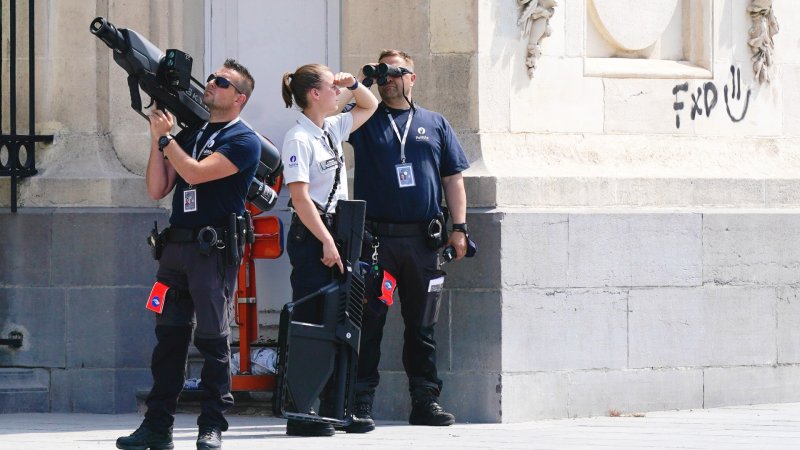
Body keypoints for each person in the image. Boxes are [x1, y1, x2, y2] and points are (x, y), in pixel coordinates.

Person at [116, 59, 260, 450]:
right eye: (212, 78)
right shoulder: (193, 133)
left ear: (239, 98)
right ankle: (157, 427)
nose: (211, 83)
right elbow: (157, 188)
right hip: (176, 249)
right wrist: (155, 139)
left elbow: (196, 173)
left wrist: (167, 141)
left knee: (213, 342)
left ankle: (210, 425)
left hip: (211, 252)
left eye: (222, 82)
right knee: (169, 341)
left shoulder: (244, 140)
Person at [344, 49, 471, 432]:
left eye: (396, 72)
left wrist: (460, 228)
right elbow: (333, 115)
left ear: (412, 77)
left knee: (422, 325)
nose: (388, 80)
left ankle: (425, 401)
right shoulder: (364, 118)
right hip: (378, 243)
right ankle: (359, 402)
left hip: (423, 243)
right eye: (383, 74)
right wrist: (362, 82)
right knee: (370, 322)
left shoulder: (435, 123)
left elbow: (453, 178)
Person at [279, 63, 378, 436]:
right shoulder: (298, 138)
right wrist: (325, 240)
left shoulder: (330, 128)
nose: (338, 91)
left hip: (339, 231)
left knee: (342, 322)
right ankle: (301, 413)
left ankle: (336, 408)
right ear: (314, 94)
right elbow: (300, 197)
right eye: (331, 85)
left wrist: (352, 82)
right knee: (312, 320)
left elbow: (368, 107)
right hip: (314, 235)